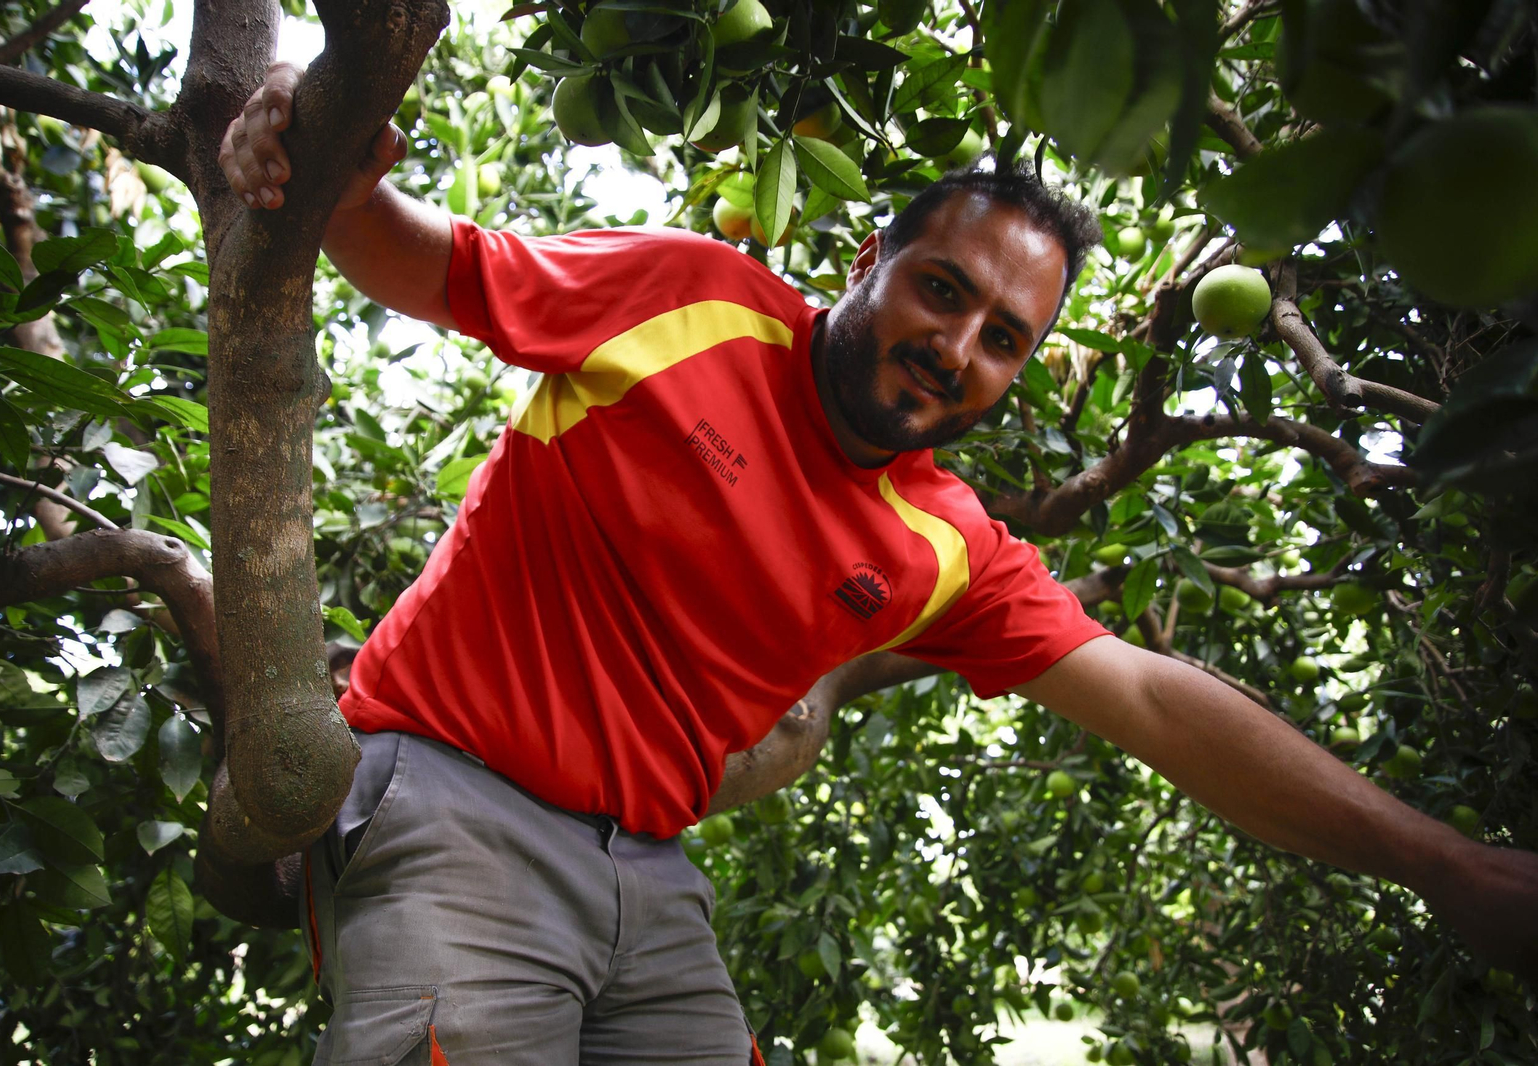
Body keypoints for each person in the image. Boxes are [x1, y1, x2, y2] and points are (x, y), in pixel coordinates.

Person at [220, 64, 1538, 1066]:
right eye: (944, 291)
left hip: (651, 877)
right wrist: (310, 137)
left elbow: (1146, 697)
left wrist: (1443, 862)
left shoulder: (944, 543)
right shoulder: (694, 301)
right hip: (453, 805)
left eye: (1006, 337)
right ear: (869, 261)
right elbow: (404, 253)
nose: (961, 345)